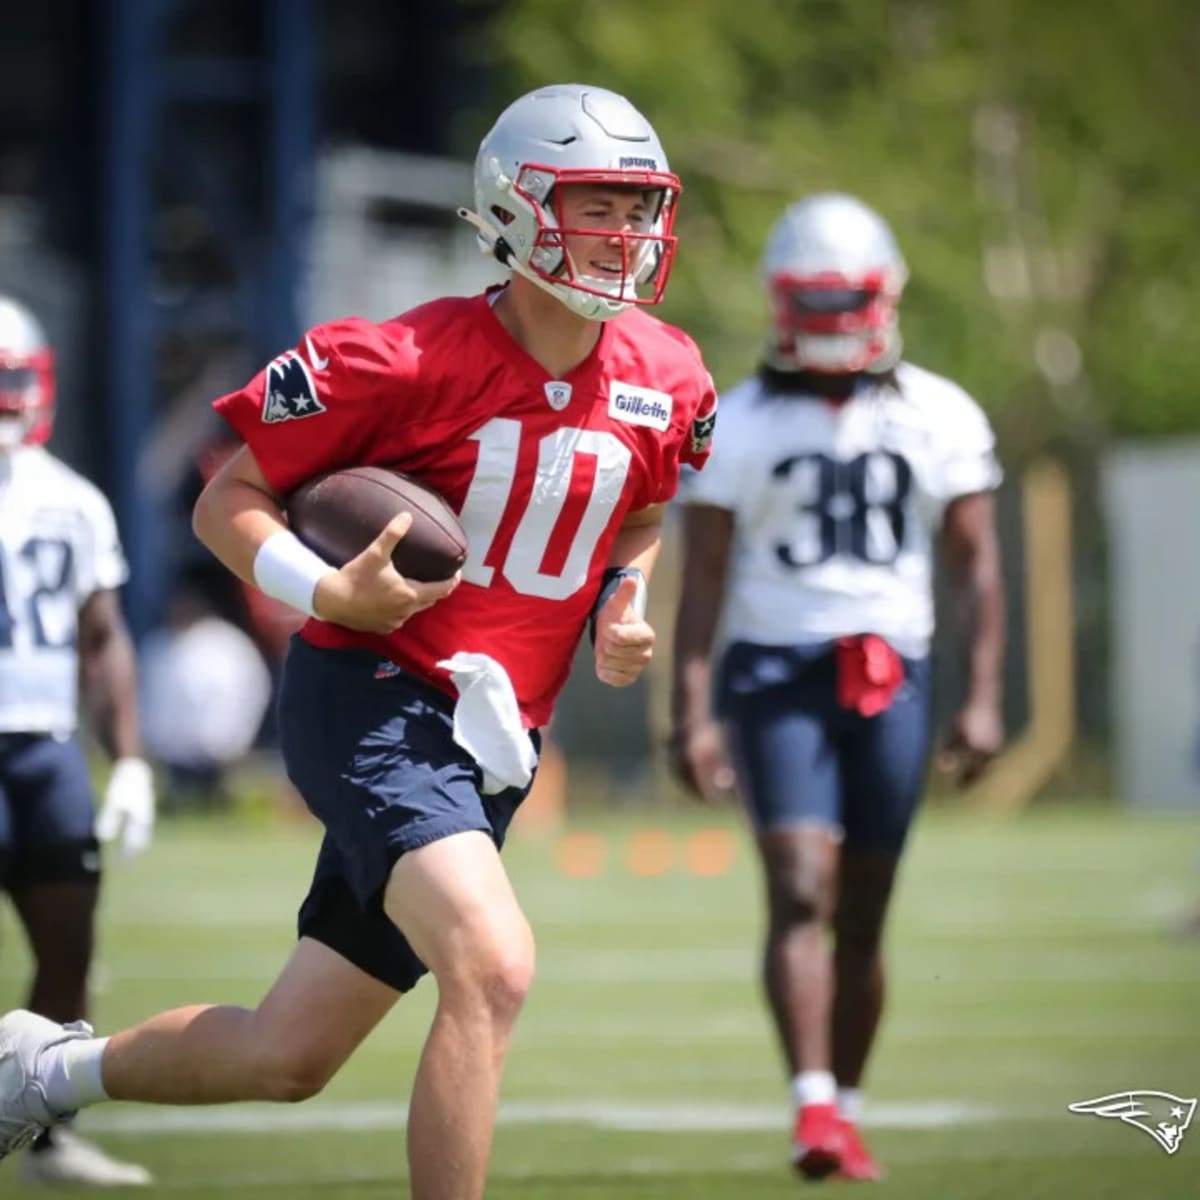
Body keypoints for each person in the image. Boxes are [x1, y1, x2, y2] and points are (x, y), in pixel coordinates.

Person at [0, 84, 717, 1200]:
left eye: (638, 209)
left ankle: (41, 1070)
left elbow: (642, 506)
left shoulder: (668, 377)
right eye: (595, 206)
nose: (623, 235)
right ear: (517, 210)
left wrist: (619, 601)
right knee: (493, 963)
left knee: (288, 1055)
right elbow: (226, 498)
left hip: (494, 741)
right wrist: (328, 590)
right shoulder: (405, 359)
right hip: (376, 699)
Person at [669, 193, 1004, 1182]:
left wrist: (983, 695)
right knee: (799, 886)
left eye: (837, 301)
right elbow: (705, 579)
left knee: (864, 905)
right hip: (774, 671)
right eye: (807, 302)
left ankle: (846, 1107)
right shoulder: (737, 421)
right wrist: (690, 713)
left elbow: (977, 567)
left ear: (882, 296)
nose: (823, 322)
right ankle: (811, 1104)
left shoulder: (940, 412)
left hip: (892, 671)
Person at [0, 295, 156, 1187]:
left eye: (14, 380)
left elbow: (103, 638)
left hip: (45, 748)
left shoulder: (74, 502)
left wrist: (129, 758)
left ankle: (47, 1135)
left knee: (70, 949)